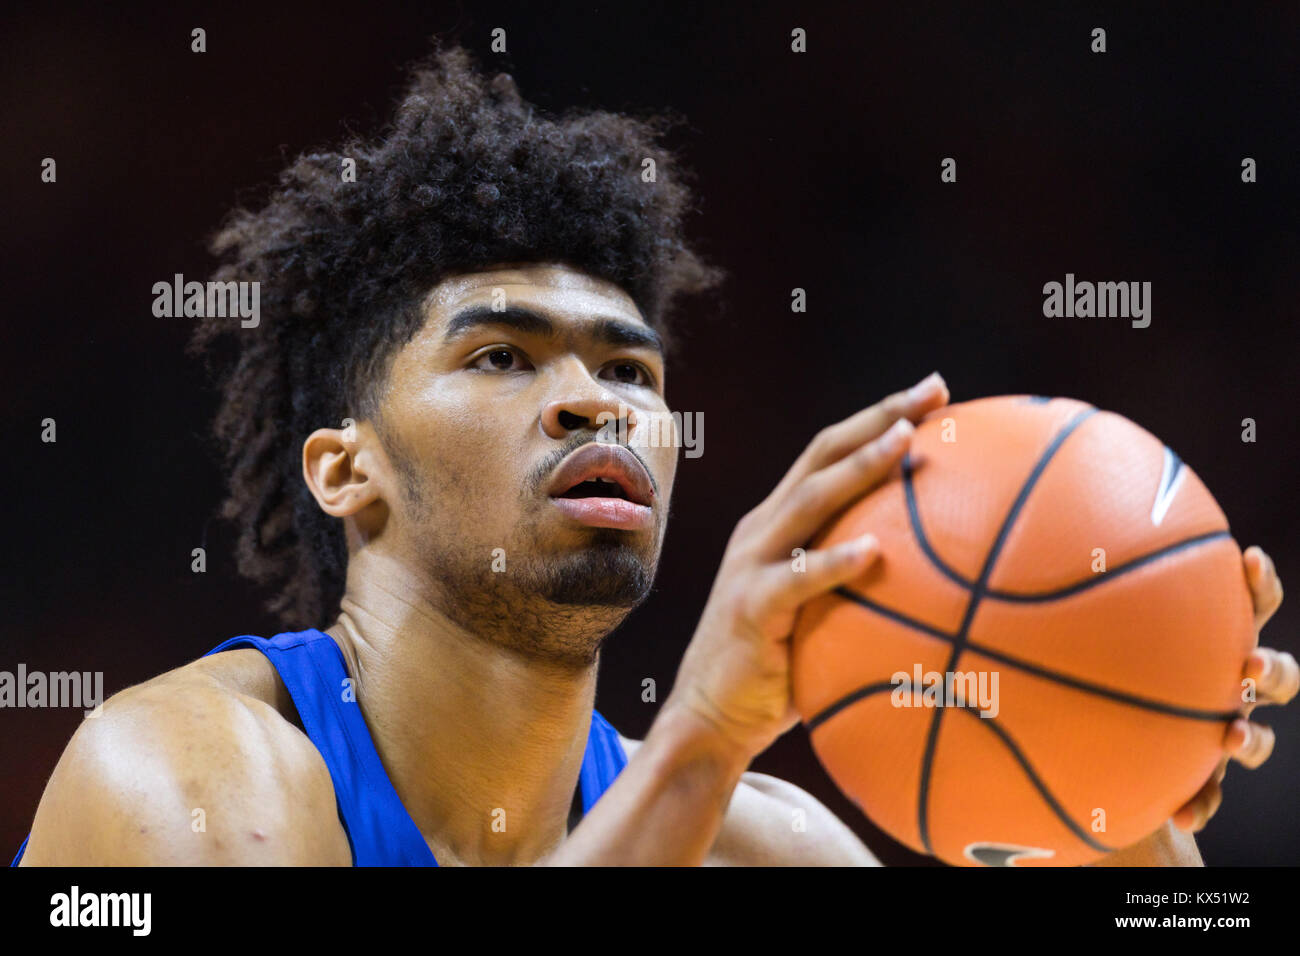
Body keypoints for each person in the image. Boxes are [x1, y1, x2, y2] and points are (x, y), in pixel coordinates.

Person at [14, 43, 1294, 867]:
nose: (596, 404)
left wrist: (1124, 792)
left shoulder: (756, 843)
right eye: (501, 356)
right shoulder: (175, 770)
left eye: (630, 371)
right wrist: (696, 739)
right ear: (347, 470)